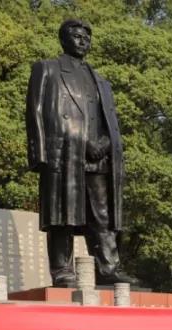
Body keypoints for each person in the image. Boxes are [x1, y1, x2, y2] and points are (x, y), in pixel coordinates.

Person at [26, 19, 138, 288]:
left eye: (87, 38)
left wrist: (108, 143)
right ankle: (62, 269)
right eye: (77, 36)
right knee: (62, 215)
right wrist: (39, 154)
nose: (83, 41)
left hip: (100, 157)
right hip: (65, 152)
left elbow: (109, 119)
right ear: (63, 39)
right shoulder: (47, 69)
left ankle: (108, 267)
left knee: (102, 215)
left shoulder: (101, 81)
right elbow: (35, 112)